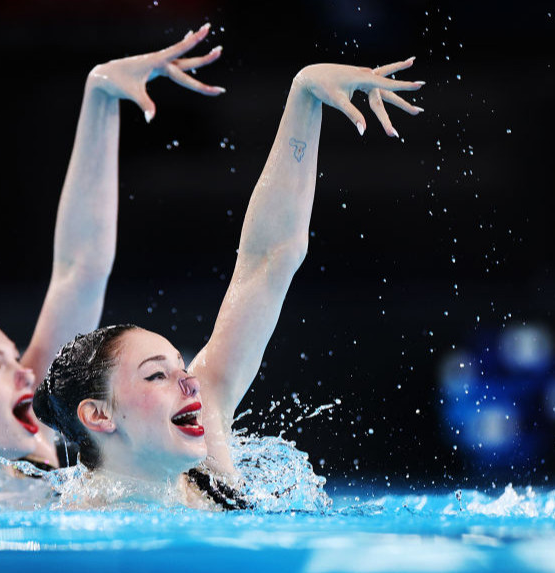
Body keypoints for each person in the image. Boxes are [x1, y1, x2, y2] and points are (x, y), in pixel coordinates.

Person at [33, 58, 424, 509]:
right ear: (99, 414)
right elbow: (77, 271)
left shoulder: (210, 470)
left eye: (180, 368)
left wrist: (304, 96)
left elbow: (269, 258)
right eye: (157, 375)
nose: (191, 384)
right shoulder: (58, 525)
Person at [0, 25, 226, 504]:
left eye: (14, 358)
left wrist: (100, 96)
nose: (27, 374)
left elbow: (81, 269)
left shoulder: (35, 464)